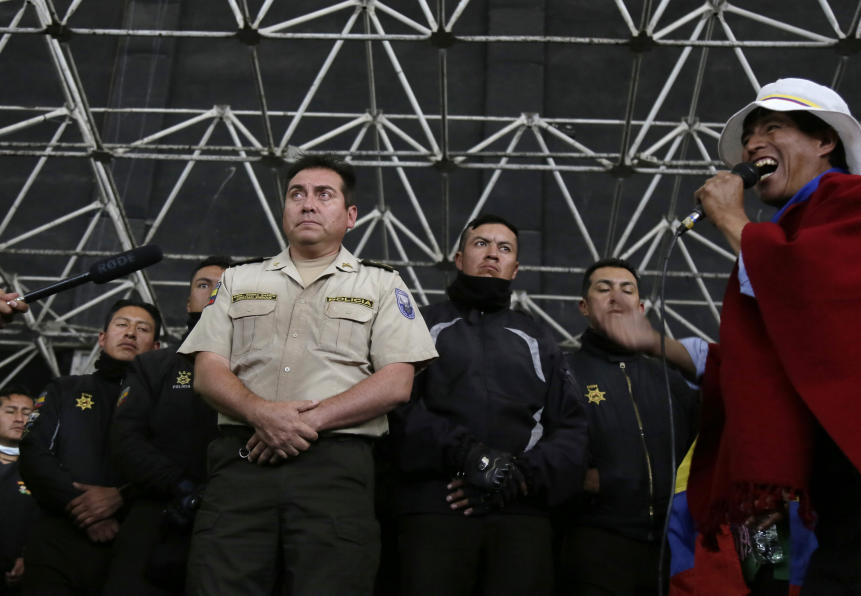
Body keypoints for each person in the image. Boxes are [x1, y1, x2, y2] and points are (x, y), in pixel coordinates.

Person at [681, 77, 861, 594]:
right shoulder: (779, 241)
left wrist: (730, 219)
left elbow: (817, 291)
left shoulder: (860, 203)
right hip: (831, 489)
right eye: (749, 136)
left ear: (824, 141)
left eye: (773, 128)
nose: (752, 145)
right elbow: (759, 379)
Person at [178, 154, 438, 596]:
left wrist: (297, 423)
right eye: (297, 194)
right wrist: (260, 412)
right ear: (284, 210)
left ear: (350, 215)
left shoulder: (381, 284)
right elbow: (207, 371)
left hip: (335, 468)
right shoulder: (238, 279)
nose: (308, 204)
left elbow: (397, 381)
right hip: (242, 464)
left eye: (324, 195)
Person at [388, 214, 588, 596]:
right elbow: (396, 408)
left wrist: (515, 478)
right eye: (481, 243)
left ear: (515, 269)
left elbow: (572, 428)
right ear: (459, 258)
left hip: (520, 514)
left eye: (505, 248)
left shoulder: (539, 337)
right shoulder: (420, 324)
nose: (493, 254)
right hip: (435, 507)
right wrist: (470, 456)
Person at [557, 258, 699, 595]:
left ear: (641, 306)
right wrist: (578, 476)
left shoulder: (670, 379)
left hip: (671, 548)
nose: (616, 298)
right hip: (596, 541)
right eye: (603, 289)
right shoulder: (562, 373)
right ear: (584, 307)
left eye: (627, 290)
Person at [103, 257, 229, 595]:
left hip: (232, 525)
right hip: (153, 518)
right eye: (203, 284)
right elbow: (125, 439)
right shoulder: (154, 366)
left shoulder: (263, 367)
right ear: (189, 302)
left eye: (224, 285)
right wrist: (180, 486)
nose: (213, 290)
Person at [18, 298, 162, 595]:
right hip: (57, 542)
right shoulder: (64, 389)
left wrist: (121, 496)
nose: (131, 333)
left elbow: (176, 462)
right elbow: (33, 452)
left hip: (134, 546)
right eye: (122, 325)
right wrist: (82, 507)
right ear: (102, 338)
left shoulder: (164, 405)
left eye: (143, 328)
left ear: (157, 348)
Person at [0, 386, 36, 596]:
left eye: (27, 413)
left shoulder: (44, 471)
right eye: (10, 411)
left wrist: (28, 557)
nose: (19, 419)